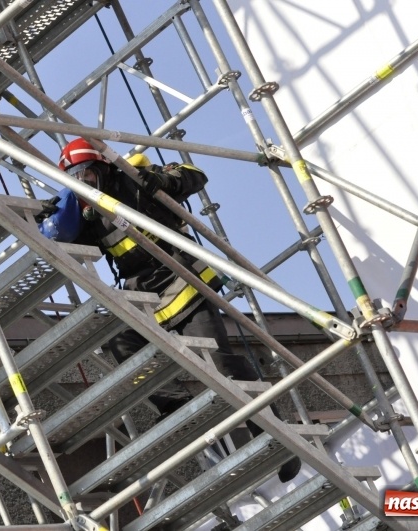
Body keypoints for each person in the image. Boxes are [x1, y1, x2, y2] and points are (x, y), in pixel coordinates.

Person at [37, 138, 301, 482]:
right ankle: (174, 404)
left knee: (221, 365)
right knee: (120, 343)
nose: (83, 182)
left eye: (87, 174)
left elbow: (194, 175)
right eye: (76, 177)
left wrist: (162, 181)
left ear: (101, 169)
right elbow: (69, 244)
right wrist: (49, 221)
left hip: (184, 282)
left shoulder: (134, 178)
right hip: (144, 294)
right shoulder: (88, 212)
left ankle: (279, 440)